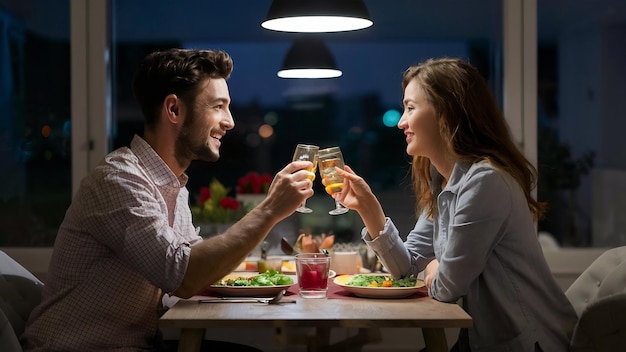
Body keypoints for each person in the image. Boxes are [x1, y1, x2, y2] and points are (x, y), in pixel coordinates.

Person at [21, 48, 315, 351]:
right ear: (174, 110)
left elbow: (197, 269)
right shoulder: (118, 180)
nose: (230, 122)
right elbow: (185, 276)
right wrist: (270, 209)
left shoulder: (171, 185)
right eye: (218, 106)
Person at [331, 58, 578, 351]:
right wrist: (369, 210)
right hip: (481, 339)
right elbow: (406, 269)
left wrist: (436, 267)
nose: (401, 122)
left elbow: (447, 289)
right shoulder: (444, 181)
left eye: (410, 108)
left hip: (526, 343)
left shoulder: (485, 181)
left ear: (446, 114)